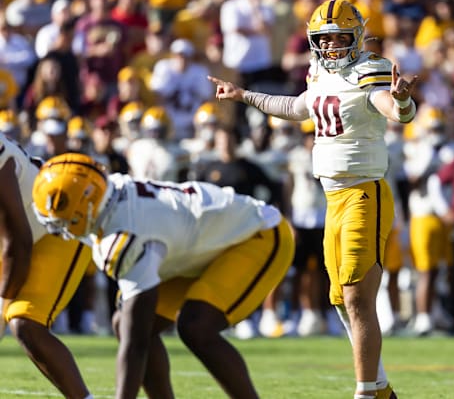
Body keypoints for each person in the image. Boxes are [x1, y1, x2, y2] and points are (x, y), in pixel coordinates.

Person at [208, 0, 417, 398]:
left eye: (340, 38)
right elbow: (296, 107)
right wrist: (243, 95)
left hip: (364, 193)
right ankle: (382, 388)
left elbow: (394, 109)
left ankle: (364, 393)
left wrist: (403, 100)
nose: (333, 46)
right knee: (340, 298)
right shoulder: (319, 73)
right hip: (331, 197)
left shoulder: (370, 69)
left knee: (357, 295)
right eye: (326, 39)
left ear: (356, 37)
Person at [31, 152, 295, 399]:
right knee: (123, 322)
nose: (56, 222)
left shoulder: (126, 234)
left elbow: (135, 346)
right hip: (197, 243)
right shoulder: (111, 192)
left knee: (195, 328)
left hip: (254, 235)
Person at [0, 132, 94, 398]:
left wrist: (2, 304)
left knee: (24, 321)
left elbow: (18, 242)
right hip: (18, 237)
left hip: (58, 225)